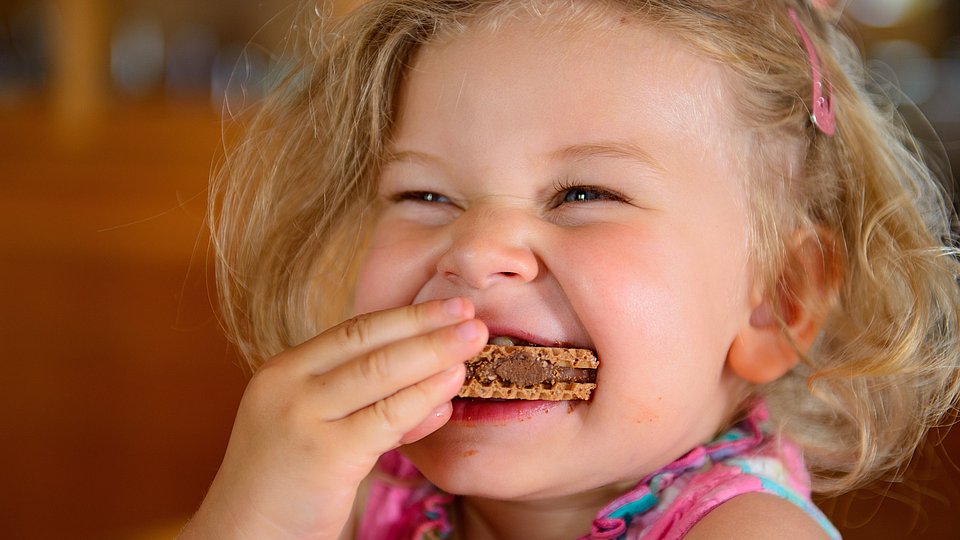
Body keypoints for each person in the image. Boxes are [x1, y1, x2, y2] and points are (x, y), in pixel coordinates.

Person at [180, 0, 960, 538]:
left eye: (584, 193)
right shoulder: (354, 490)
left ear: (777, 303)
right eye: (424, 193)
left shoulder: (742, 531)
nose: (477, 248)